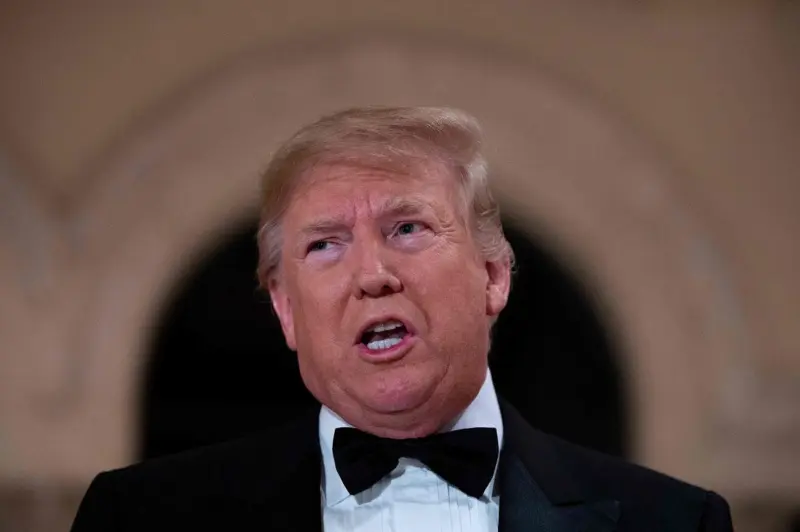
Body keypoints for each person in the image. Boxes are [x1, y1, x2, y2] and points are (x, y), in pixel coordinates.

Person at [71, 106, 734, 532]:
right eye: (324, 244)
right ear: (285, 309)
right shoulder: (140, 518)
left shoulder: (675, 522)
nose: (372, 274)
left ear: (493, 275)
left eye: (408, 228)